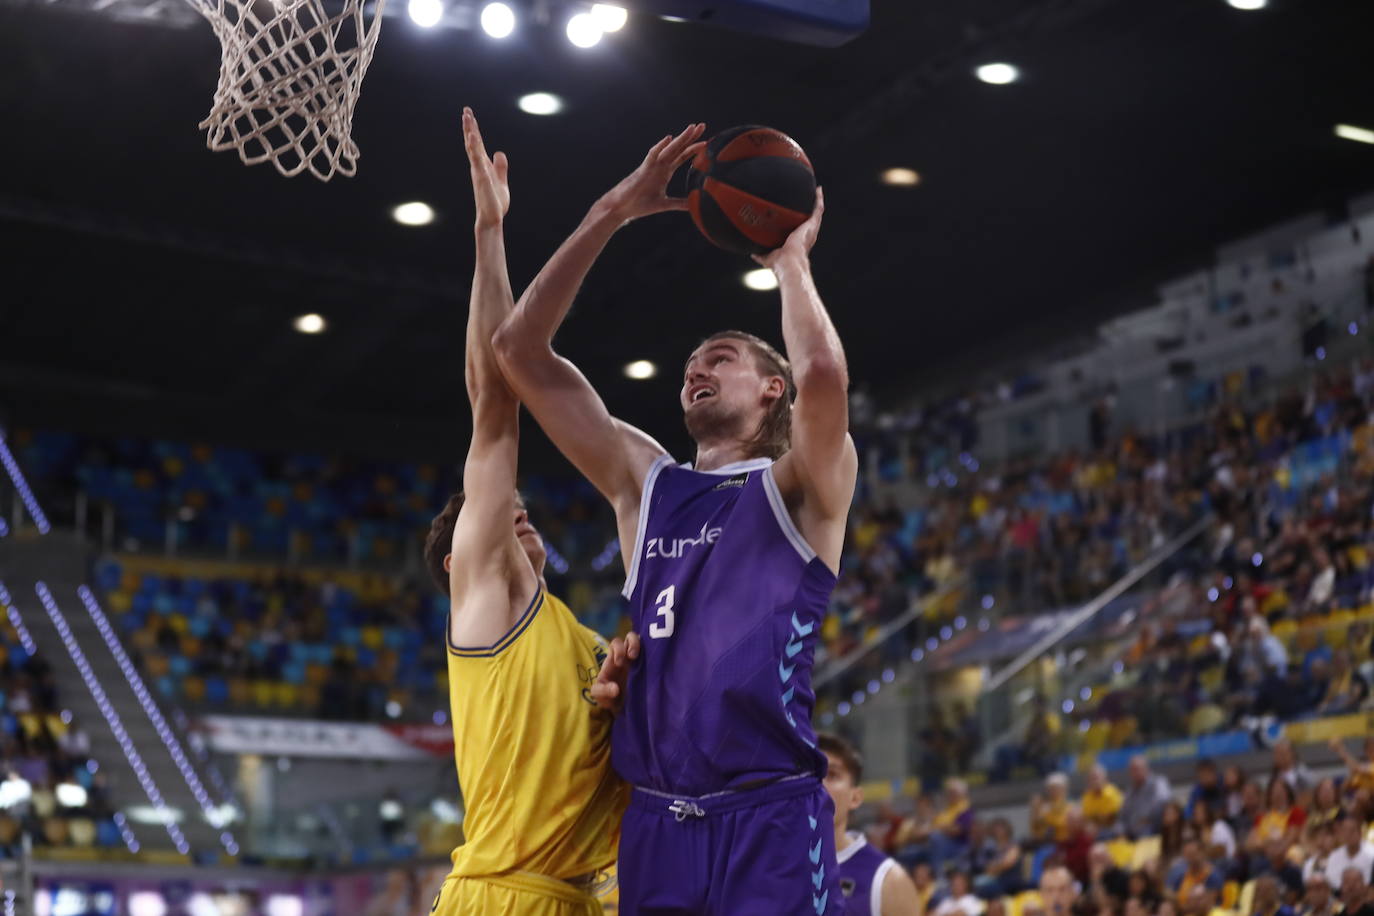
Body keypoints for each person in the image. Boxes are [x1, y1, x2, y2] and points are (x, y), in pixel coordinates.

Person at [495, 124, 856, 914]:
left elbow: (824, 374)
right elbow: (518, 350)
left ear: (772, 391)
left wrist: (789, 264)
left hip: (768, 815)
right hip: (656, 822)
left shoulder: (805, 487)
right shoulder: (645, 484)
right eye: (692, 362)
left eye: (722, 356)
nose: (698, 366)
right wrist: (611, 212)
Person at [424, 110, 625, 916]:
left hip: (577, 897)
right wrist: (488, 233)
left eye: (518, 511)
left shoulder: (574, 634)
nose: (518, 514)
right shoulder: (485, 599)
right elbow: (494, 402)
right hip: (501, 898)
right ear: (456, 561)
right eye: (497, 513)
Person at [818, 733, 920, 915]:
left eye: (832, 775)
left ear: (855, 797)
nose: (819, 784)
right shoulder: (768, 865)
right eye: (812, 774)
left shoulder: (889, 880)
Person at [1121, 755, 1171, 839]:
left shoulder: (1158, 782)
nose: (1135, 772)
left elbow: (1163, 803)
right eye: (1132, 770)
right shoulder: (1129, 791)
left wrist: (1145, 818)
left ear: (1146, 769)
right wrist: (1121, 830)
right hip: (1132, 831)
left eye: (1137, 769)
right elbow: (1123, 814)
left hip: (1152, 827)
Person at [1325, 814, 1374, 890]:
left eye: (1352, 831)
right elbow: (1331, 881)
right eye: (1345, 831)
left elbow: (1369, 883)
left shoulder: (1371, 854)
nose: (1348, 834)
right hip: (1341, 895)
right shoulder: (1334, 856)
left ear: (1360, 832)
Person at [1082, 764, 1124, 835]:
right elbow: (1088, 819)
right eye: (1092, 778)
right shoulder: (1087, 797)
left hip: (1113, 829)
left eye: (1096, 777)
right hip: (1096, 831)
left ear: (1105, 779)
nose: (1094, 781)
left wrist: (1098, 821)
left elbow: (1114, 818)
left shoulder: (1113, 793)